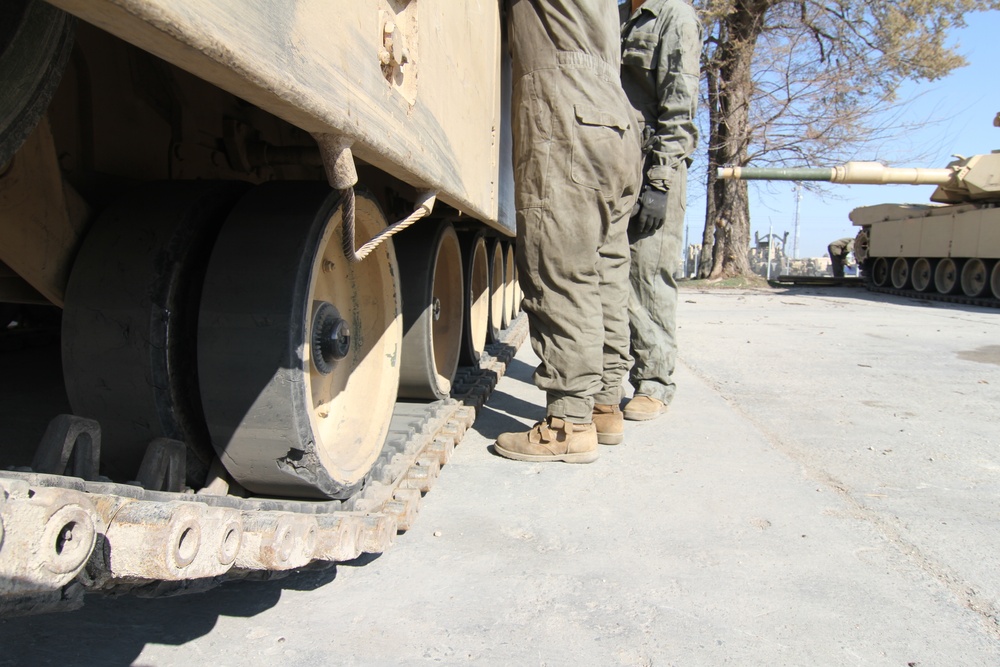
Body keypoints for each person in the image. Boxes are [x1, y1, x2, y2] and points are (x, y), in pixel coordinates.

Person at [495, 0, 642, 463]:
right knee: (605, 273)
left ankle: (568, 425)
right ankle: (604, 404)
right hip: (616, 119)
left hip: (565, 110)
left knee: (559, 267)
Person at [619, 0, 702, 421]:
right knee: (610, 275)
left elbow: (680, 103)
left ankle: (653, 383)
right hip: (614, 160)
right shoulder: (616, 14)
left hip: (654, 165)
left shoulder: (674, 15)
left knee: (648, 275)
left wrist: (661, 181)